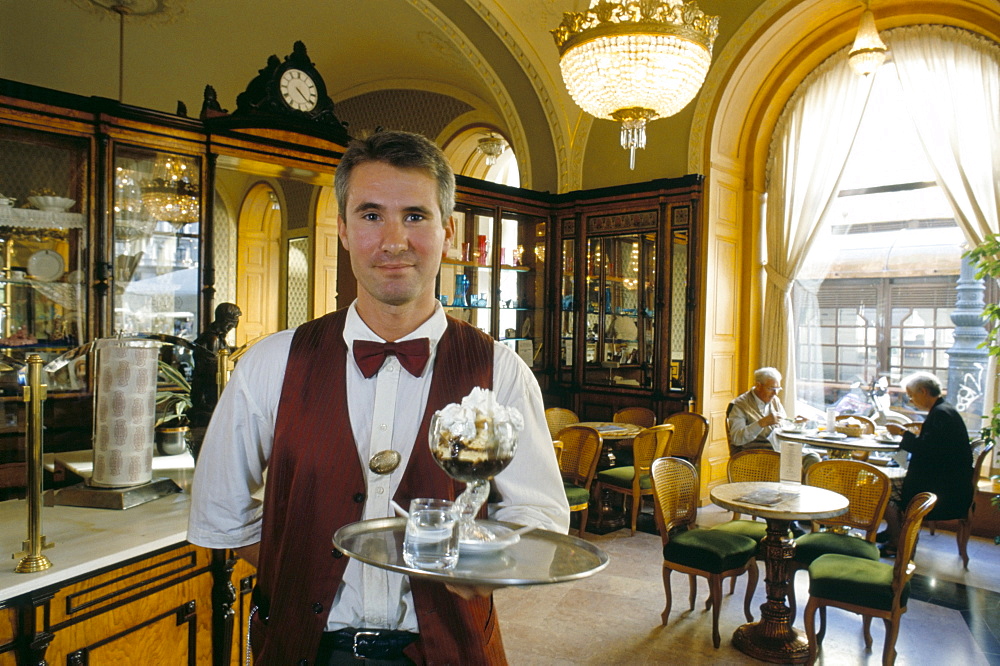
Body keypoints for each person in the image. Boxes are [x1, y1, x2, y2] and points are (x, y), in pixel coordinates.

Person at [187, 130, 570, 665]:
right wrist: (298, 575)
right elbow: (221, 513)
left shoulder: (500, 371)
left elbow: (541, 515)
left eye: (415, 215)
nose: (394, 241)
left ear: (448, 231)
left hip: (452, 652)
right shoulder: (270, 364)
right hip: (303, 651)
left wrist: (488, 567)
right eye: (370, 215)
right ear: (342, 229)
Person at [880, 372, 972, 557]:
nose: (911, 400)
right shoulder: (944, 410)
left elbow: (926, 449)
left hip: (943, 490)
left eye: (912, 395)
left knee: (883, 488)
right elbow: (933, 447)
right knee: (889, 484)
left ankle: (898, 540)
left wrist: (902, 433)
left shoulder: (941, 414)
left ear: (923, 391)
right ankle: (894, 532)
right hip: (950, 480)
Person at [726, 367, 820, 535]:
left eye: (778, 388)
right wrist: (761, 423)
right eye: (771, 388)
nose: (775, 393)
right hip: (755, 453)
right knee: (792, 466)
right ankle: (789, 520)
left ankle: (806, 511)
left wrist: (797, 423)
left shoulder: (774, 401)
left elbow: (782, 427)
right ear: (758, 386)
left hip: (778, 448)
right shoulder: (739, 405)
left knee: (813, 459)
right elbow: (737, 438)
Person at [188, 302, 242, 429]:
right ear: (224, 321)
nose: (233, 327)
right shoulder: (213, 339)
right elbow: (212, 369)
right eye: (232, 323)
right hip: (208, 396)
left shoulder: (216, 338)